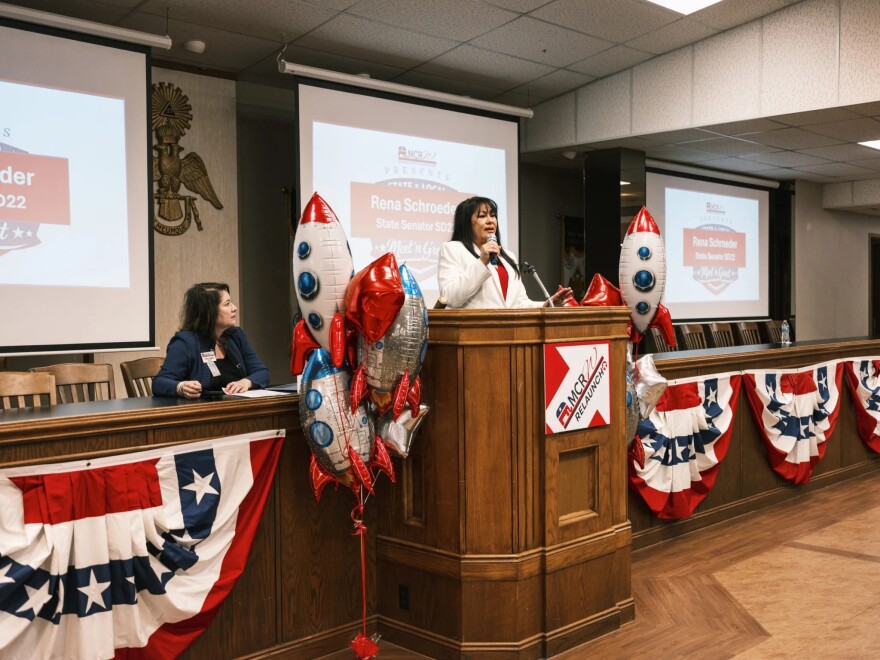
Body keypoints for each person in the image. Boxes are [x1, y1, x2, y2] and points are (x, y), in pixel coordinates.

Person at [437, 196, 572, 309]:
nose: (490, 220)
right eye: (482, 216)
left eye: (493, 215)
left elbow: (519, 303)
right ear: (466, 223)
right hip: (475, 334)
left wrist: (546, 306)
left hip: (510, 334)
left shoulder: (508, 256)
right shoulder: (453, 249)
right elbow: (450, 298)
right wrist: (482, 262)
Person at [153, 282, 269, 398]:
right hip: (203, 412)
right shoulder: (185, 342)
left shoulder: (236, 335)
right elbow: (159, 383)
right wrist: (180, 386)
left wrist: (246, 382)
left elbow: (262, 372)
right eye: (227, 304)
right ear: (209, 311)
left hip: (238, 408)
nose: (234, 308)